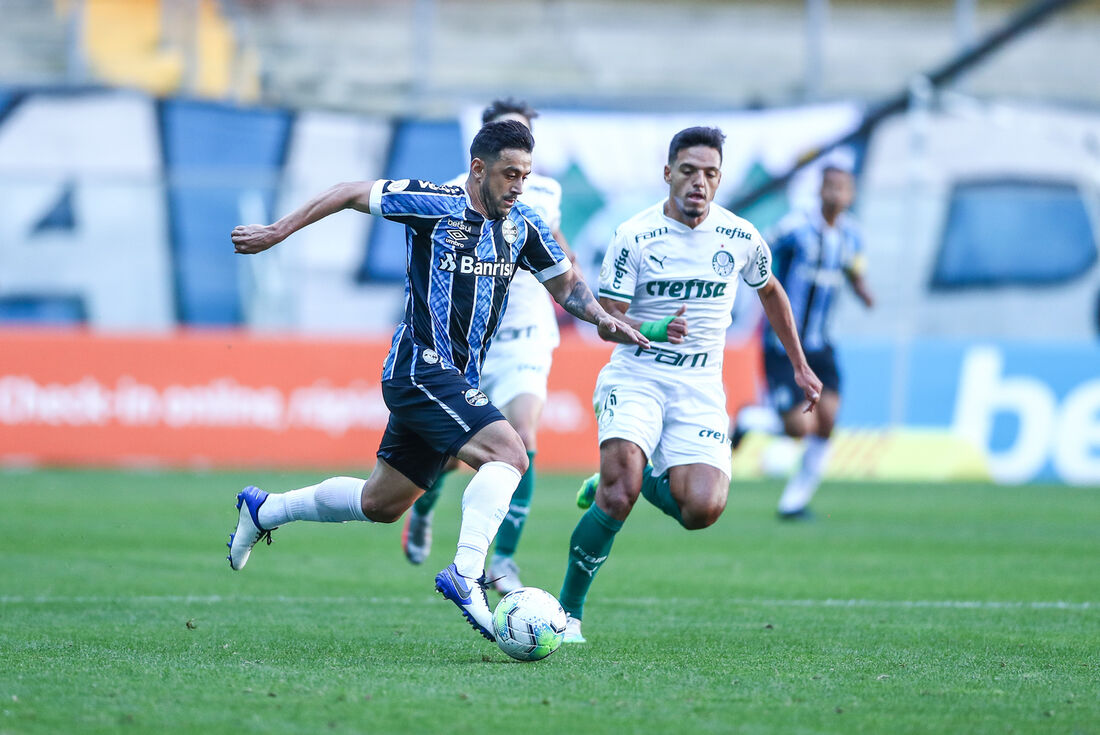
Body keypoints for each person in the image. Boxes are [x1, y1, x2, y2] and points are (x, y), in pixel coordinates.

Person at [226, 120, 648, 645]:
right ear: (479, 169)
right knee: (511, 453)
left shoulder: (524, 225)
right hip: (418, 368)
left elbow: (566, 285)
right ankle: (466, 573)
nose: (518, 185)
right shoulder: (435, 202)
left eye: (525, 175)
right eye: (509, 174)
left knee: (381, 504)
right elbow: (346, 191)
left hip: (455, 379)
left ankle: (264, 509)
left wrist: (600, 318)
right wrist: (276, 232)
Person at [559, 127, 822, 643]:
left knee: (701, 509)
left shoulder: (741, 237)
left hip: (700, 386)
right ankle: (567, 614)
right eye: (689, 171)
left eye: (710, 173)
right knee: (619, 496)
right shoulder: (633, 235)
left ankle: (615, 480)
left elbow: (770, 291)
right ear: (668, 174)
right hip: (637, 374)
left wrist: (799, 363)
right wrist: (655, 329)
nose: (699, 182)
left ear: (719, 179)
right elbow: (605, 317)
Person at [401, 99, 575, 596]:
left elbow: (553, 244)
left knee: (523, 438)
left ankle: (503, 559)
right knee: (453, 457)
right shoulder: (455, 193)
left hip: (526, 331)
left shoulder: (545, 191)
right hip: (469, 345)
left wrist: (568, 265)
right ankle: (425, 508)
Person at [759, 162, 874, 519]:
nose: (837, 193)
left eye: (844, 187)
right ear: (821, 189)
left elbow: (855, 269)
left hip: (822, 343)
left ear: (851, 194)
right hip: (784, 343)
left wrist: (863, 291)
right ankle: (750, 421)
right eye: (831, 186)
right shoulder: (794, 227)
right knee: (799, 427)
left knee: (827, 421)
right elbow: (757, 249)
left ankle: (793, 502)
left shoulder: (853, 235)